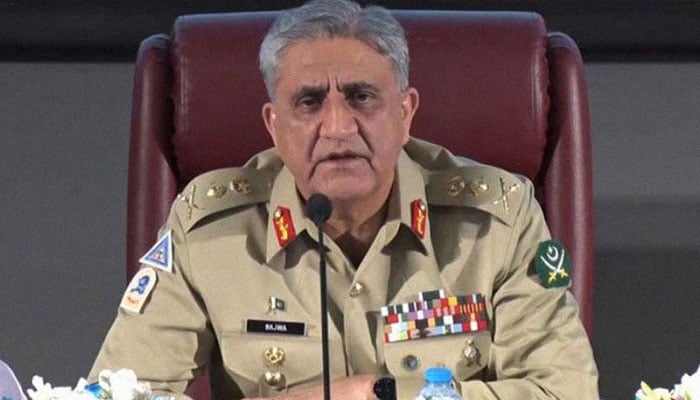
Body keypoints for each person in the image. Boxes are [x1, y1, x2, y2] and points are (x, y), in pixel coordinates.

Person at [90, 0, 599, 399]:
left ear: (405, 114)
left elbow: (566, 391)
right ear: (274, 126)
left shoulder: (500, 220)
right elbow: (114, 394)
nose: (337, 127)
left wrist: (383, 398)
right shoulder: (208, 228)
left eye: (361, 97)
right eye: (310, 102)